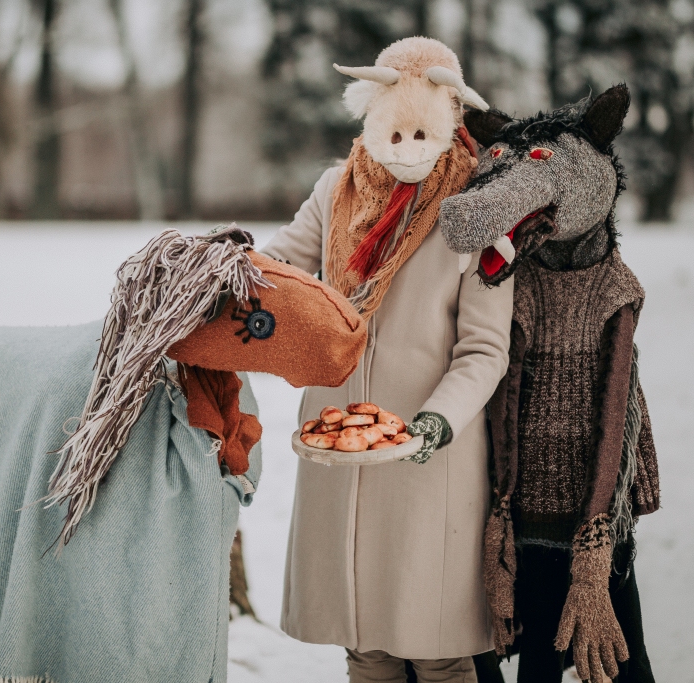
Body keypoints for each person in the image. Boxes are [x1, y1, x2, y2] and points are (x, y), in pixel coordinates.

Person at [260, 36, 514, 683]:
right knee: (365, 643)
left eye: (422, 132)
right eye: (393, 132)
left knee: (438, 649)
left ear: (452, 118)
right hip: (340, 445)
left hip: (430, 458)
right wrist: (232, 269)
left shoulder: (478, 212)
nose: (406, 150)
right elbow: (283, 263)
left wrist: (436, 421)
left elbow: (484, 349)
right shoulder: (336, 188)